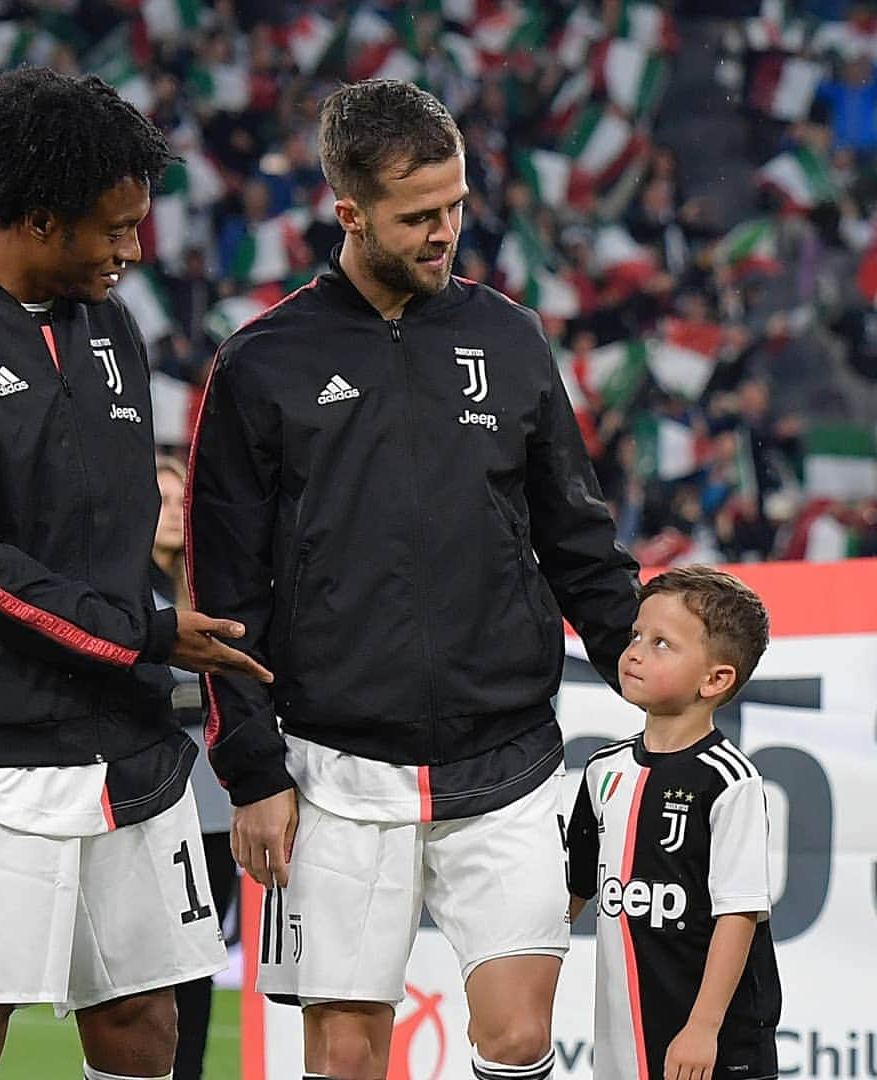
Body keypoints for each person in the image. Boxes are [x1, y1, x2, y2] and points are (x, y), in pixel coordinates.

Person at [188, 78, 641, 1080]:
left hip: (506, 752)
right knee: (346, 1055)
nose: (446, 233)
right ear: (349, 214)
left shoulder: (510, 338)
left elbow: (580, 539)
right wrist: (253, 773)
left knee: (519, 1037)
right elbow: (223, 599)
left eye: (458, 206)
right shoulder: (258, 365)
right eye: (419, 216)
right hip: (333, 767)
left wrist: (647, 673)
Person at [0, 66, 272, 1080]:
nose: (133, 253)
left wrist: (156, 628)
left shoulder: (112, 331)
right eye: (115, 230)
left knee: (144, 1028)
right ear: (41, 219)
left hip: (132, 744)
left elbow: (130, 530)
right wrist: (145, 629)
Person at [567, 566, 781, 1080]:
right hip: (624, 1036)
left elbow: (739, 914)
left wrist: (704, 1028)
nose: (635, 651)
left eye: (662, 643)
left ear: (715, 679)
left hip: (715, 1042)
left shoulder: (730, 781)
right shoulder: (603, 769)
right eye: (636, 635)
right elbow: (571, 893)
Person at [151, 455, 237, 1080]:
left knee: (201, 957)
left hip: (214, 803)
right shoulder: (121, 589)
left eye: (180, 499)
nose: (174, 512)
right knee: (147, 963)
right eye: (158, 499)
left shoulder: (215, 583)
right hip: (151, 797)